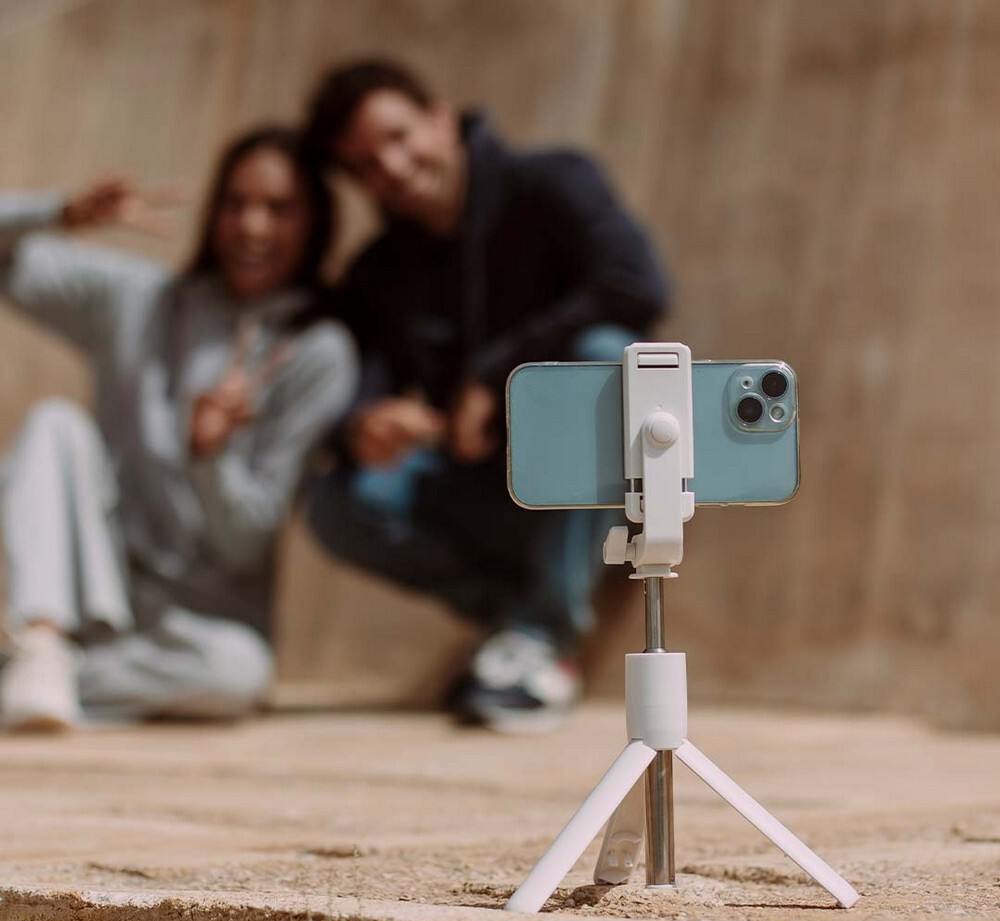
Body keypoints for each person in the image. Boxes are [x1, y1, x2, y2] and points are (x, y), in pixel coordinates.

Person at [303, 59, 669, 734]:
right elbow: (362, 379)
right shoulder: (379, 268)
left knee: (607, 355)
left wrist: (496, 374)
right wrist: (367, 423)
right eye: (365, 165)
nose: (392, 167)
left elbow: (638, 285)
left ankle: (548, 633)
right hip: (482, 490)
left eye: (398, 137)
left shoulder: (553, 183)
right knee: (338, 504)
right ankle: (519, 625)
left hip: (599, 493)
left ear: (440, 119)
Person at [0, 126, 358, 731]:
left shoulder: (319, 353)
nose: (252, 227)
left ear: (316, 224)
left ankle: (34, 680)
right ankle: (39, 643)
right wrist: (58, 214)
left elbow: (247, 543)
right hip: (98, 586)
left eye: (278, 209)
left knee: (239, 674)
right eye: (236, 204)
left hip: (196, 626)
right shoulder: (138, 299)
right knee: (55, 425)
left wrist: (210, 457)